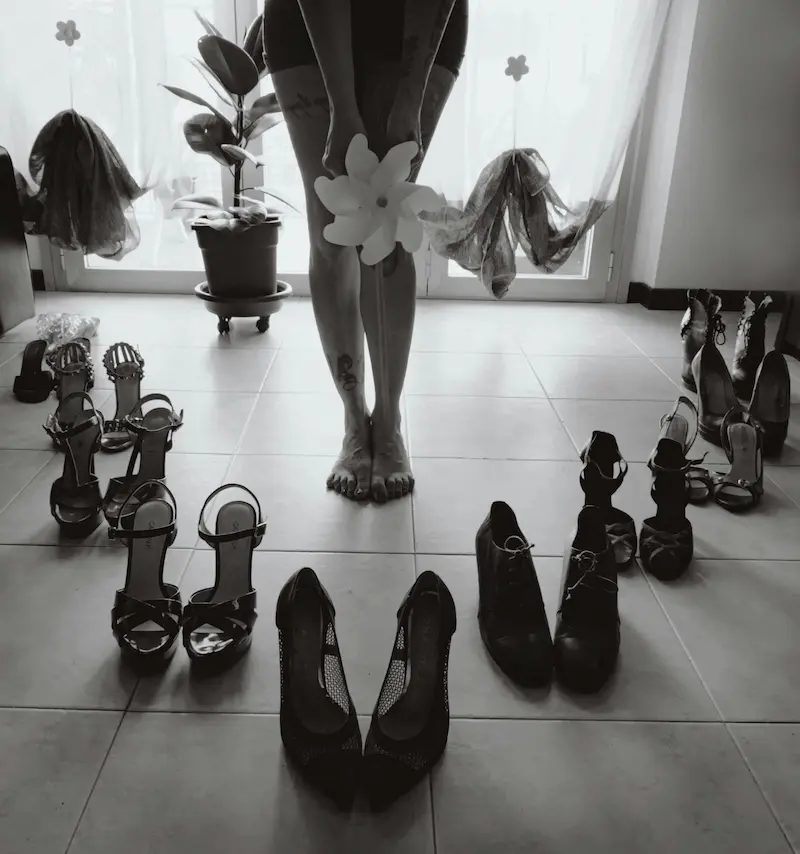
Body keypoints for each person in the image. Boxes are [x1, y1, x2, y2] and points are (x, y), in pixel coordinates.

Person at [263, 0, 468, 502]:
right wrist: (342, 107)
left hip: (418, 20)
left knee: (390, 222)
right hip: (308, 21)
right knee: (333, 226)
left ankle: (390, 418)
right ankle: (355, 420)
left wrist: (410, 97)